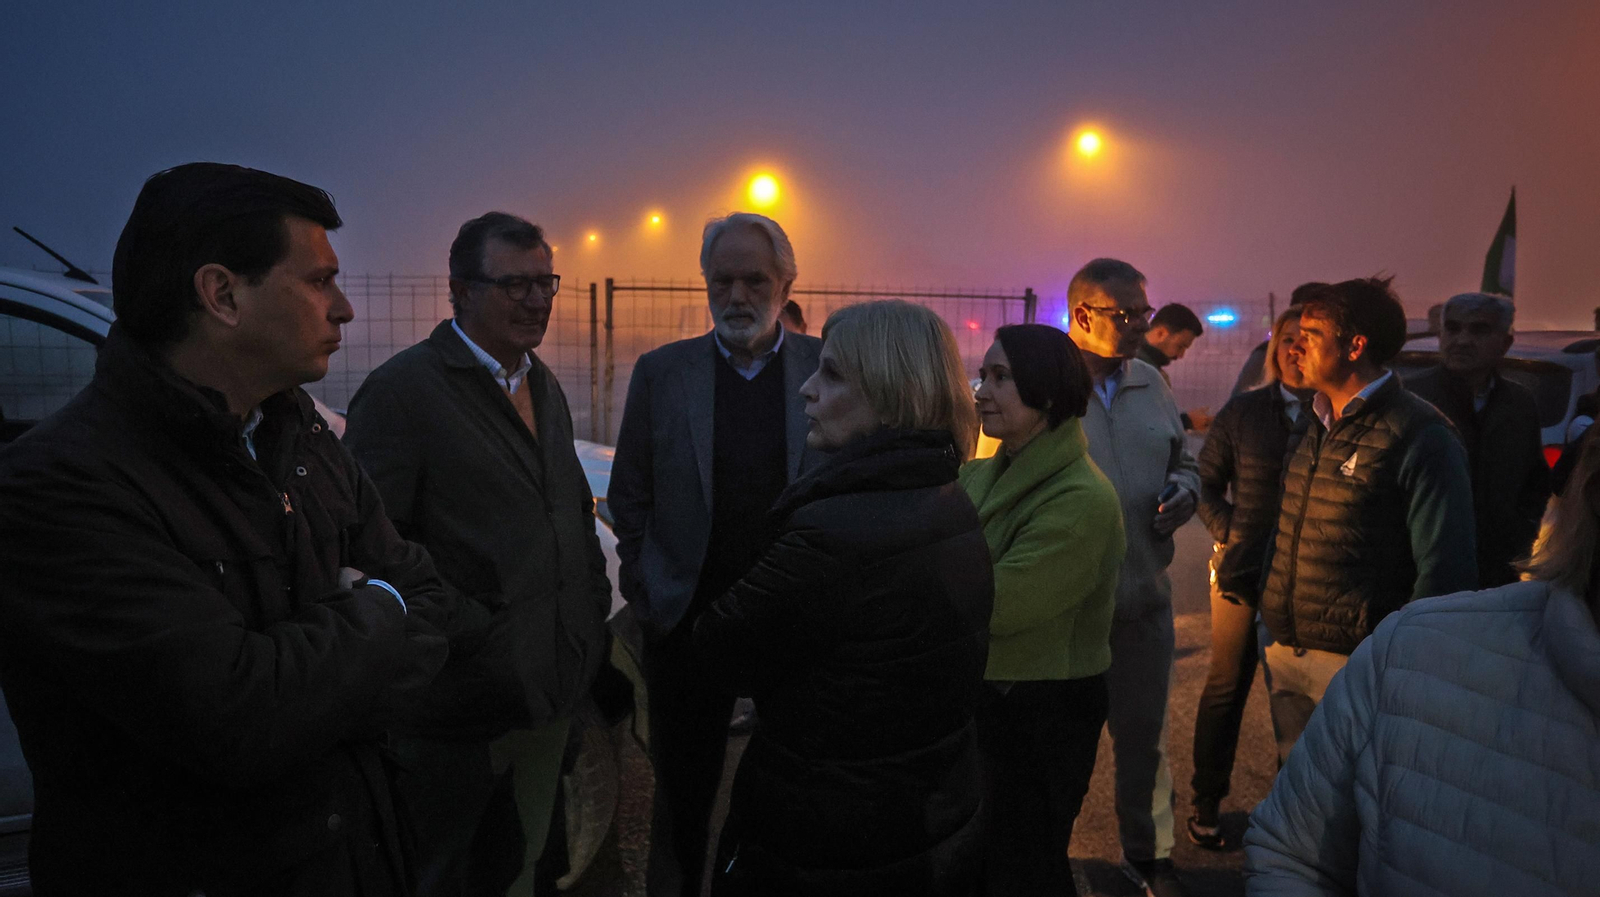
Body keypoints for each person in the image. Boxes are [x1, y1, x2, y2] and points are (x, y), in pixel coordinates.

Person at [0, 163, 459, 895]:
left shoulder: (300, 435)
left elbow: (431, 598)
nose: (344, 309)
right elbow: (241, 719)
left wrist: (323, 665)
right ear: (222, 294)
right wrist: (378, 608)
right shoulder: (61, 485)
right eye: (319, 281)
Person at [343, 212, 612, 895]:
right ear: (460, 291)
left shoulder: (540, 383)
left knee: (527, 867)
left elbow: (568, 510)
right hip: (453, 717)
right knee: (442, 876)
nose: (536, 300)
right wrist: (470, 628)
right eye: (514, 284)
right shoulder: (404, 393)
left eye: (545, 282)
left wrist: (587, 609)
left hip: (544, 695)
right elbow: (370, 551)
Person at [694, 300, 992, 896]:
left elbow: (717, 650)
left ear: (890, 394)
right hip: (918, 814)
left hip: (826, 831)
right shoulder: (943, 493)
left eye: (831, 374)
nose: (807, 388)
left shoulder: (836, 532)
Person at [1243, 434, 1600, 896]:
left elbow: (1444, 558)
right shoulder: (1411, 655)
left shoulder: (1423, 433)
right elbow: (1290, 856)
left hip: (1366, 639)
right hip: (1324, 645)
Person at [608, 212, 823, 896]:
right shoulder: (661, 373)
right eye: (720, 280)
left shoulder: (828, 369)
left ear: (786, 283)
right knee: (682, 799)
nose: (736, 296)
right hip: (687, 625)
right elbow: (629, 494)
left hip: (797, 628)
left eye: (753, 280)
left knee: (796, 795)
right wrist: (648, 591)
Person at [1258, 277, 1476, 763]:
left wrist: (1402, 662)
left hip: (1359, 660)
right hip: (1287, 651)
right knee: (1298, 792)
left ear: (1355, 346)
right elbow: (1287, 524)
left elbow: (1445, 567)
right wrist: (1267, 619)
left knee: (1359, 794)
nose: (1294, 347)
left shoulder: (1421, 434)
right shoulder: (1312, 419)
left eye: (1311, 335)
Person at [961, 323, 1125, 895]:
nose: (982, 391)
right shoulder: (985, 472)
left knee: (1025, 867)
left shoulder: (1081, 498)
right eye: (983, 375)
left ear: (1048, 393)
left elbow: (997, 606)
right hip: (994, 701)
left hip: (1042, 715)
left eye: (1001, 377)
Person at [1066, 258, 1201, 897]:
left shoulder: (1151, 383)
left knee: (1145, 742)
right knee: (1056, 749)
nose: (1142, 326)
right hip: (1064, 615)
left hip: (1144, 603)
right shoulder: (1040, 386)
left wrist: (1186, 490)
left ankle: (1149, 858)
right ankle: (1041, 858)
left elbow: (1183, 462)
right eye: (1126, 315)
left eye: (1144, 312)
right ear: (1081, 315)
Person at [1187, 306, 1314, 849]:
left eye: (1306, 340)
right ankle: (1206, 800)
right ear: (1273, 348)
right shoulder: (1243, 411)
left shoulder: (1335, 414)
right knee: (1225, 687)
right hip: (1241, 574)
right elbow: (1204, 481)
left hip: (1309, 579)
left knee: (1300, 698)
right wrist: (1231, 532)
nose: (1295, 350)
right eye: (1287, 340)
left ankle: (1296, 817)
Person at [1405, 292, 1551, 587]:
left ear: (1505, 343)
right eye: (1453, 328)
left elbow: (1533, 483)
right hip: (1417, 573)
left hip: (1495, 573)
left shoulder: (1519, 404)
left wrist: (1520, 538)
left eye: (1479, 330)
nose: (1462, 340)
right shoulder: (1410, 399)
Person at [1229, 282, 1326, 396]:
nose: (1295, 349)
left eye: (1309, 339)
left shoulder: (1332, 402)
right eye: (1288, 340)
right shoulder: (1263, 355)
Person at [1137, 303, 1211, 431]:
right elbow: (1144, 423)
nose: (1181, 355)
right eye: (1180, 346)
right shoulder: (1138, 368)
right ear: (1161, 333)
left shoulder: (1143, 365)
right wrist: (1187, 422)